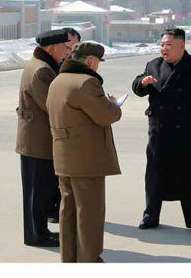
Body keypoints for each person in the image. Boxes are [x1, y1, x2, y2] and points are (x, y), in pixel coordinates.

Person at [132, 28, 191, 232]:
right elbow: (137, 86)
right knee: (154, 174)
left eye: (169, 45)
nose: (164, 49)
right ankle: (150, 216)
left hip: (188, 132)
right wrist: (142, 83)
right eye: (162, 45)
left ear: (182, 45)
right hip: (159, 130)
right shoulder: (154, 65)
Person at [47, 42, 122, 262]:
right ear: (90, 61)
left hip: (64, 156)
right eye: (97, 62)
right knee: (89, 213)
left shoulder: (58, 80)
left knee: (68, 211)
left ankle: (70, 258)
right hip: (87, 159)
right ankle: (89, 260)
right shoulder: (87, 82)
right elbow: (106, 115)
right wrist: (114, 106)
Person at [15, 28, 70, 247]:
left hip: (36, 140)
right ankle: (36, 235)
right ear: (51, 48)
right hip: (37, 142)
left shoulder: (41, 65)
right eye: (64, 47)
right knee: (36, 193)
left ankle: (39, 232)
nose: (67, 51)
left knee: (39, 190)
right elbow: (52, 105)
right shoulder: (42, 71)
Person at [47, 27, 80, 224]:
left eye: (73, 48)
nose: (69, 52)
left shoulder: (77, 67)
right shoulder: (52, 67)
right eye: (66, 47)